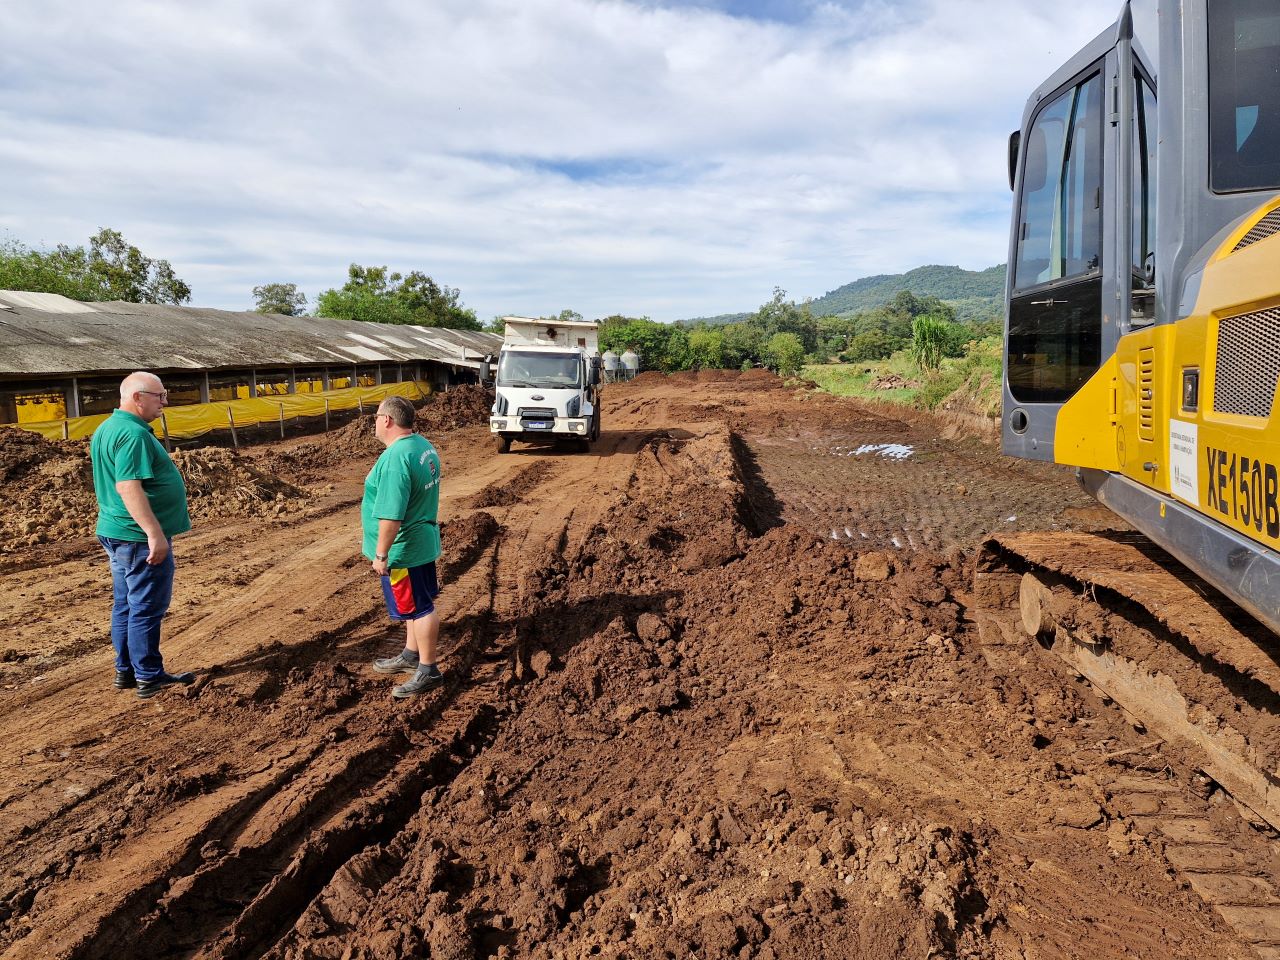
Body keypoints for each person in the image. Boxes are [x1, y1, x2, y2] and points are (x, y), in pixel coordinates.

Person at [91, 371, 195, 699]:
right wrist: (154, 533)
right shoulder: (132, 435)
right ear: (137, 397)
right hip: (136, 537)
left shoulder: (108, 428)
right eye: (159, 395)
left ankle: (127, 671)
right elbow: (127, 486)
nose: (165, 402)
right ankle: (149, 675)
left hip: (117, 531)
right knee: (146, 606)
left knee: (126, 603)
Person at [364, 395, 445, 698]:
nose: (374, 422)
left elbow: (391, 514)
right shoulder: (422, 446)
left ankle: (428, 669)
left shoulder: (397, 459)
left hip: (404, 548)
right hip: (421, 540)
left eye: (376, 416)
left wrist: (381, 553)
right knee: (412, 605)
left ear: (387, 420)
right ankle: (411, 654)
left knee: (421, 608)